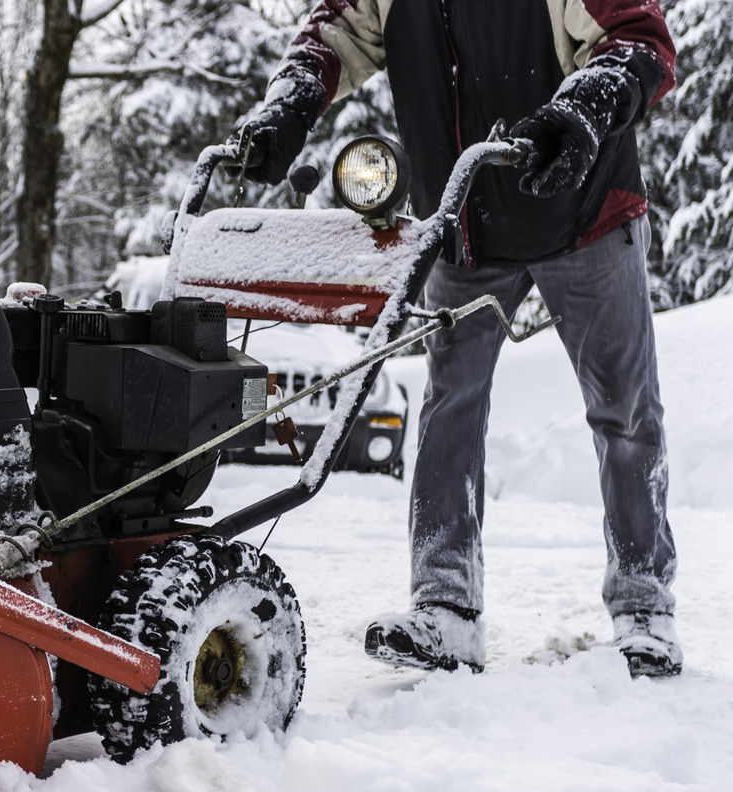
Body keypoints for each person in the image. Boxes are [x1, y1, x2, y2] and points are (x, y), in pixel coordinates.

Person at [232, 0, 681, 676]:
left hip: (584, 211)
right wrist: (289, 108)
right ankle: (446, 608)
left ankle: (644, 608)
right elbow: (333, 35)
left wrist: (583, 108)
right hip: (466, 225)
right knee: (450, 407)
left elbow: (641, 37)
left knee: (625, 410)